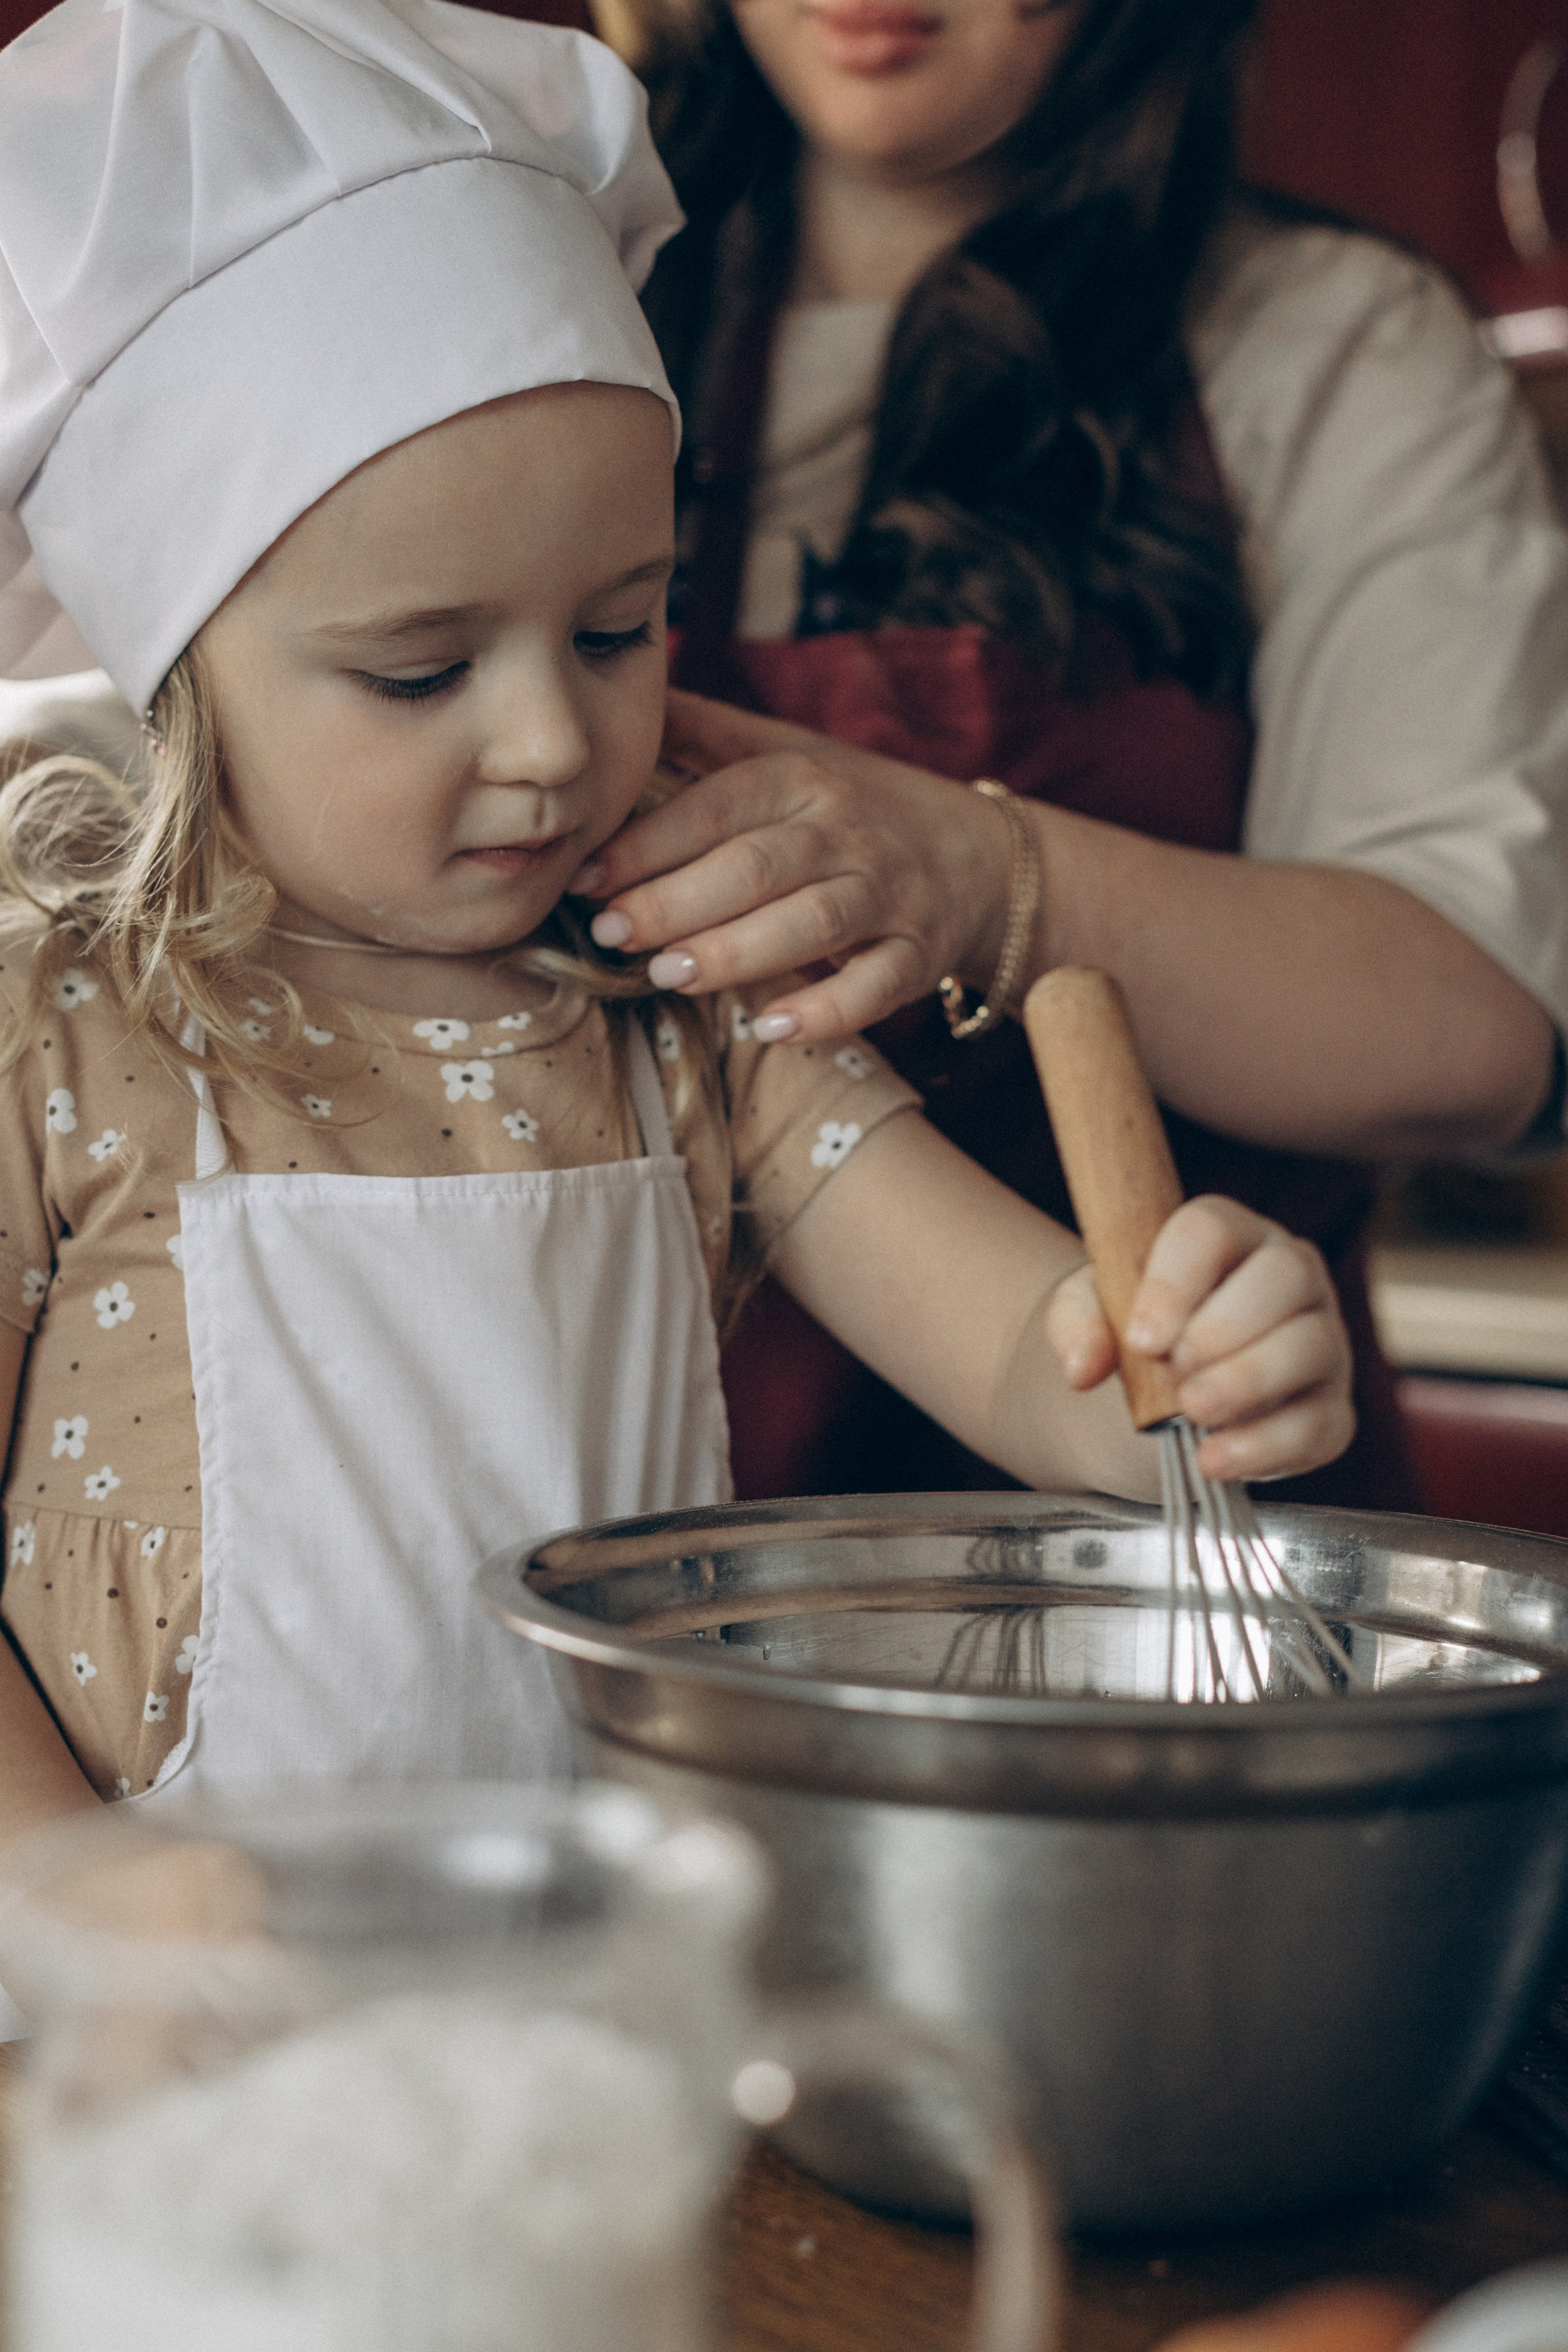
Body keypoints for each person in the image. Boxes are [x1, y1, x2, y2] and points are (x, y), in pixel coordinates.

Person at [0, 0, 1351, 1839]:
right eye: (419, 671)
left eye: (619, 629)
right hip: (152, 2034)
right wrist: (76, 1890)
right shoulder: (60, 1034)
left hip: (604, 1974)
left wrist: (1212, 1353)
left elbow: (1048, 1370)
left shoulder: (688, 1006)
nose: (555, 741)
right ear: (177, 669)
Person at [568, 0, 1568, 1508]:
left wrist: (984, 875)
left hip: (1163, 1539)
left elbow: (1476, 1036)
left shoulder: (1324, 342)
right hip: (631, 1537)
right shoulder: (560, 299)